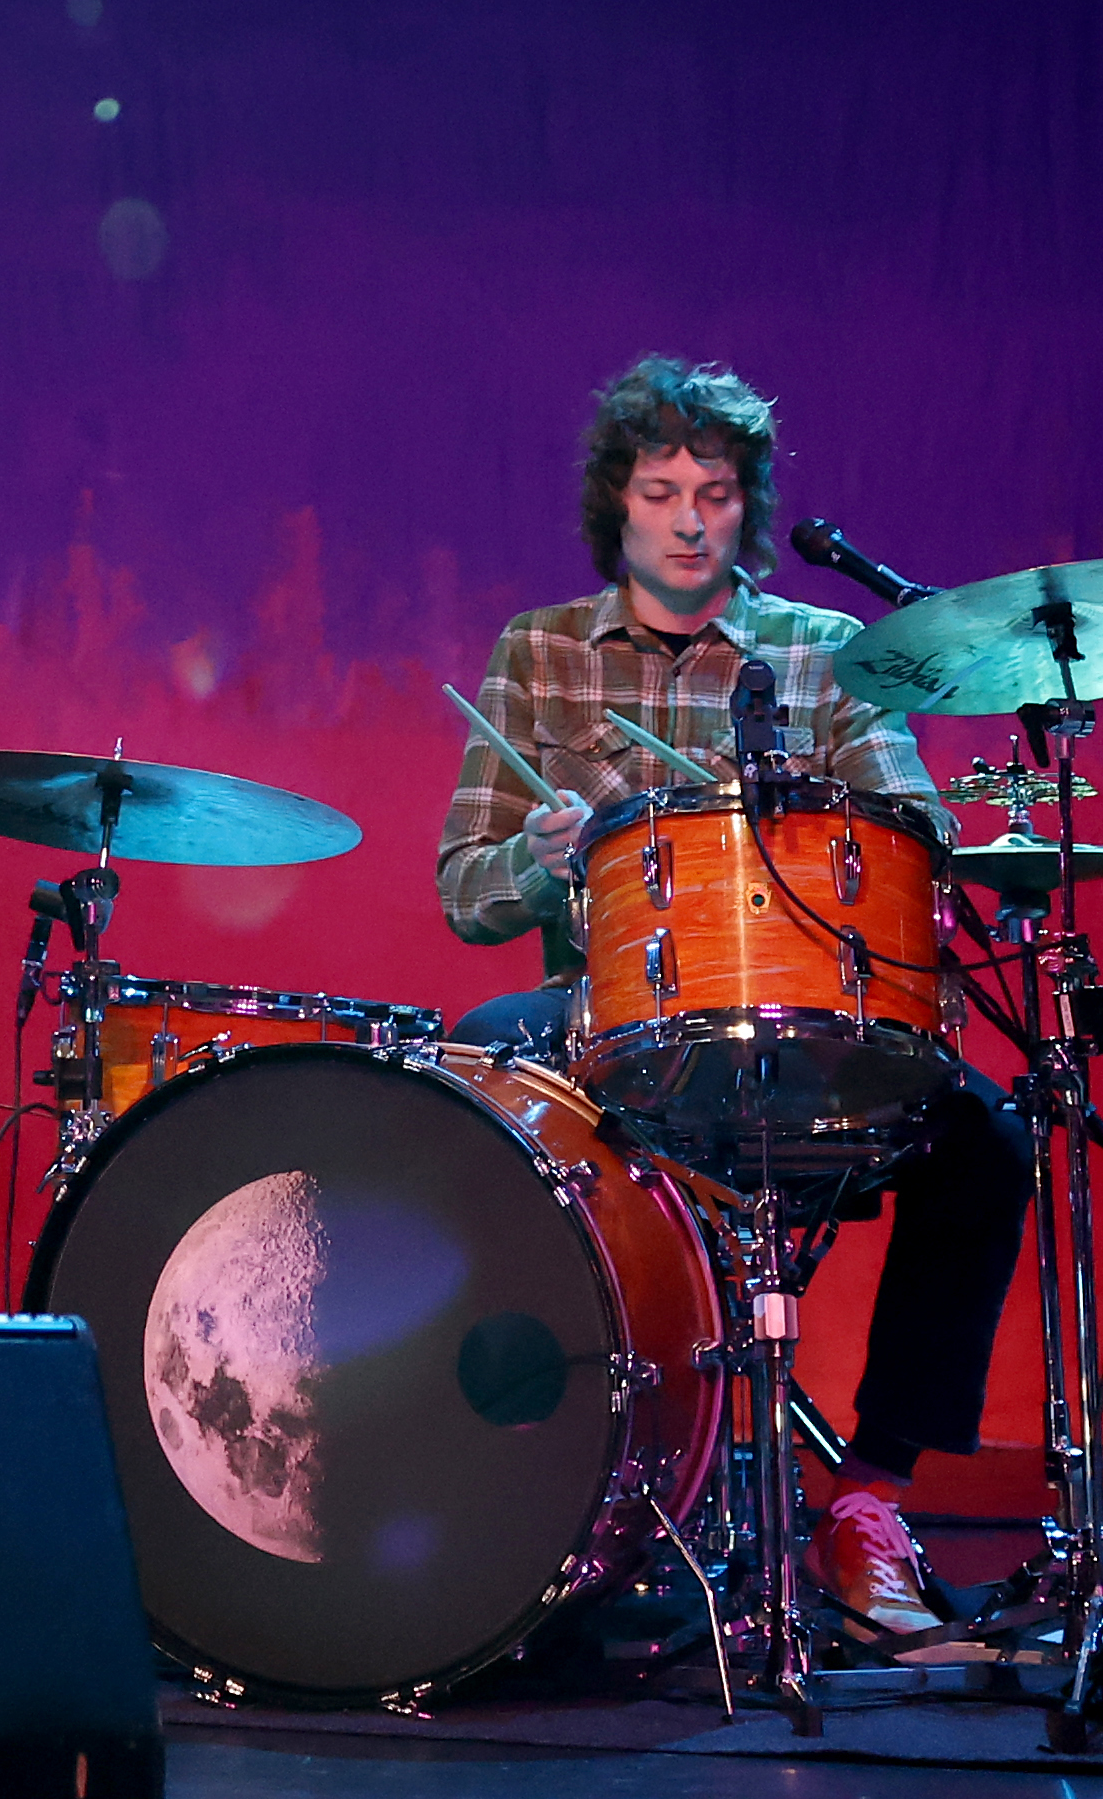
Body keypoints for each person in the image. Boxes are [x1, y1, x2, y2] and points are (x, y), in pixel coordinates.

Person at [439, 355, 1034, 1648]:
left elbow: (920, 825)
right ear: (621, 506)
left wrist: (813, 823)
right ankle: (527, 1480)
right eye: (663, 491)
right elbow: (462, 890)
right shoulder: (539, 653)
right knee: (476, 1068)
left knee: (987, 1143)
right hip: (608, 1024)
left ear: (744, 505)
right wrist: (537, 858)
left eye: (714, 490)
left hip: (805, 1019)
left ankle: (869, 1495)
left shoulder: (820, 654)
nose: (692, 516)